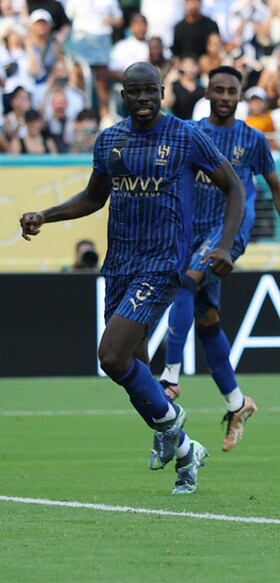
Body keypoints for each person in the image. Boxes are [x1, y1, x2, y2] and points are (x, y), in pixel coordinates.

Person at [19, 62, 245, 495]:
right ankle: (184, 451)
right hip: (118, 263)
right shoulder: (110, 140)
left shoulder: (186, 135)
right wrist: (45, 216)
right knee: (133, 369)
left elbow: (233, 187)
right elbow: (92, 197)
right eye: (134, 92)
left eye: (150, 92)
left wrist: (224, 245)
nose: (143, 99)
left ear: (163, 92)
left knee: (111, 357)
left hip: (161, 264)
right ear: (122, 95)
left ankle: (173, 426)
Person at [157, 66, 280, 452]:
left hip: (230, 233)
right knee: (207, 322)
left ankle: (170, 377)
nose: (226, 96)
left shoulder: (252, 138)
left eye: (232, 91)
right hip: (193, 230)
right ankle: (237, 404)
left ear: (240, 97)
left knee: (185, 283)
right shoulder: (193, 135)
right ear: (207, 94)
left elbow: (275, 187)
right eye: (219, 90)